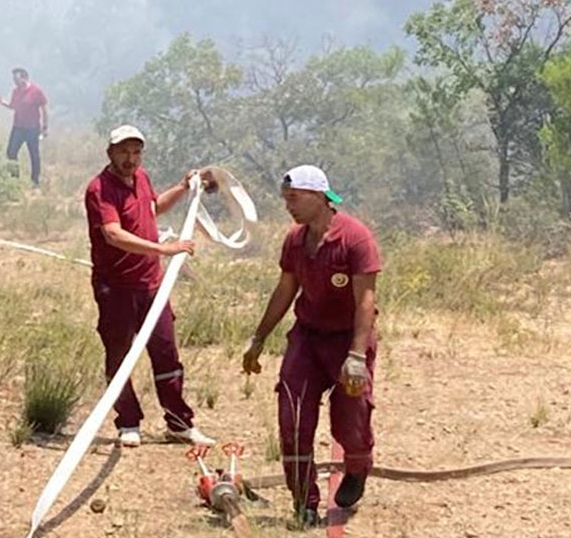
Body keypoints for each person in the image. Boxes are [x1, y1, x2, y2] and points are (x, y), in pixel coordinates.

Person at [242, 165, 382, 528]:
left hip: (348, 338)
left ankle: (356, 470)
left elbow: (365, 301)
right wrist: (258, 338)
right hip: (307, 337)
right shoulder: (295, 240)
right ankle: (304, 501)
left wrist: (355, 356)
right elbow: (285, 290)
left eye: (295, 198)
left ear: (319, 196)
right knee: (293, 416)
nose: (289, 206)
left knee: (350, 417)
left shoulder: (356, 239)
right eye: (286, 199)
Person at [83, 124, 217, 448]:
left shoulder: (141, 178)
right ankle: (128, 422)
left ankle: (179, 423)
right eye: (124, 152)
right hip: (115, 287)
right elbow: (113, 234)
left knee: (166, 351)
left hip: (151, 285)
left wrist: (184, 188)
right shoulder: (99, 189)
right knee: (119, 355)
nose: (130, 159)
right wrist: (163, 250)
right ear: (110, 153)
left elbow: (153, 208)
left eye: (136, 152)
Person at [0, 67, 47, 187]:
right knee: (11, 152)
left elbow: (44, 109)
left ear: (24, 78)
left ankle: (35, 181)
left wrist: (45, 126)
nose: (14, 81)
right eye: (13, 79)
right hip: (18, 127)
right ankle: (14, 179)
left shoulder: (36, 91)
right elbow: (14, 106)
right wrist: (3, 103)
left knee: (34, 154)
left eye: (16, 78)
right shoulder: (16, 92)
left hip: (32, 128)